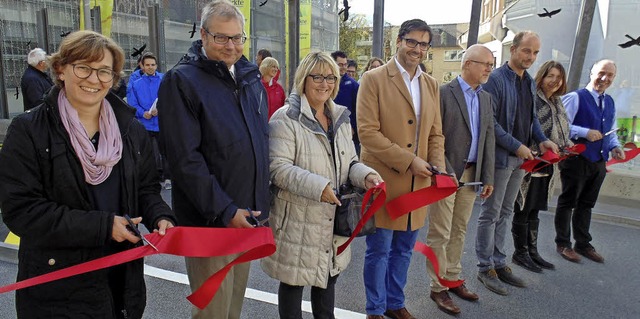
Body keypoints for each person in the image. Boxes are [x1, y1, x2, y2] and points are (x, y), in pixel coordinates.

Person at [0, 30, 176, 319]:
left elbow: (146, 187)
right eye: (83, 67)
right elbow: (22, 211)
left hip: (121, 281)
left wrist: (161, 216)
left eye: (104, 71)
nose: (94, 80)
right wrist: (104, 226)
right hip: (57, 286)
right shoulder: (29, 130)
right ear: (60, 69)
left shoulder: (130, 130)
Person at [156, 1, 270, 318]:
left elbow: (258, 142)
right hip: (211, 219)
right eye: (222, 38)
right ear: (204, 35)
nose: (231, 46)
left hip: (245, 215)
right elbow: (183, 160)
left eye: (238, 38)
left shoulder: (248, 77)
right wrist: (225, 209)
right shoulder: (182, 81)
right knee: (213, 312)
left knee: (232, 307)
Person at [261, 51, 382, 319]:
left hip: (334, 219)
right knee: (293, 283)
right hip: (297, 219)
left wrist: (367, 175)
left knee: (328, 280)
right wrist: (320, 186)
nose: (324, 83)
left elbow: (350, 163)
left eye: (331, 77)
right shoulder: (285, 118)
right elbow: (278, 169)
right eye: (317, 76)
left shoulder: (340, 118)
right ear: (304, 78)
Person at [357, 18, 446, 319]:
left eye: (423, 44)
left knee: (404, 250)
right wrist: (410, 161)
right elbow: (368, 133)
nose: (417, 49)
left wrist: (438, 167)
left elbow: (436, 133)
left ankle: (395, 303)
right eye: (412, 41)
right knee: (379, 250)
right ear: (399, 41)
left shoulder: (431, 84)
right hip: (384, 180)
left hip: (418, 184)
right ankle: (375, 309)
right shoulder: (374, 78)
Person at [475, 31, 558, 296]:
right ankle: (484, 267)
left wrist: (542, 140)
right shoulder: (496, 80)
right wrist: (518, 146)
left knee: (507, 212)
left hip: (520, 159)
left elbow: (532, 118)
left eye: (535, 53)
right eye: (526, 51)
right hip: (501, 159)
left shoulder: (529, 83)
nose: (531, 57)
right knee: (490, 213)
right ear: (513, 49)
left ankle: (500, 263)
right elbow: (490, 123)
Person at [426, 44, 495, 315]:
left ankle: (452, 278)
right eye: (484, 63)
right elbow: (434, 135)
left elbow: (487, 138)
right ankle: (437, 287)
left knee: (459, 230)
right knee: (440, 232)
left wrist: (487, 176)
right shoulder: (444, 93)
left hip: (472, 174)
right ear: (467, 64)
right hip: (447, 174)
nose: (489, 68)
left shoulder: (486, 98)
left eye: (491, 63)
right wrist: (443, 170)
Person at [555, 59, 625, 264]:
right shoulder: (576, 97)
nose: (605, 78)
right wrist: (584, 132)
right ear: (591, 72)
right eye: (602, 73)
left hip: (598, 161)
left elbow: (609, 130)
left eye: (610, 75)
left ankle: (583, 243)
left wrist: (615, 146)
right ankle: (563, 243)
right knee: (568, 202)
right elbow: (561, 126)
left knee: (586, 204)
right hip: (576, 158)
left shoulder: (610, 101)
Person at [512, 61, 572, 273]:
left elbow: (563, 130)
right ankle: (520, 253)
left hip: (550, 164)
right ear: (542, 76)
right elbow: (528, 128)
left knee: (535, 209)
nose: (555, 81)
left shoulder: (557, 101)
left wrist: (567, 147)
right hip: (533, 161)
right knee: (524, 207)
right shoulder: (534, 98)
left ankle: (532, 251)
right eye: (551, 76)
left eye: (559, 77)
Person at [127, 52, 171, 189]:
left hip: (162, 123)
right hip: (145, 124)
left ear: (156, 65)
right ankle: (153, 179)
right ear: (142, 66)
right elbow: (132, 103)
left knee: (165, 151)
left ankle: (168, 177)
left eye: (153, 65)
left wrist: (161, 109)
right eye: (147, 65)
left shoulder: (164, 80)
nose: (150, 67)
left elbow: (171, 99)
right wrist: (142, 113)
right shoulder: (136, 84)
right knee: (147, 153)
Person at [331, 50, 360, 154]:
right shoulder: (326, 83)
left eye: (345, 64)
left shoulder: (353, 85)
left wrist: (353, 127)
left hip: (348, 133)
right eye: (340, 64)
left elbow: (358, 109)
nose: (344, 67)